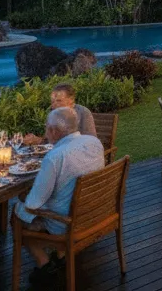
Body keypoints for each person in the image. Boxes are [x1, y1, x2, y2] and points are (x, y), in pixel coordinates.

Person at [15, 108, 106, 269]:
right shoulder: (94, 142)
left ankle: (44, 263)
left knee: (17, 214)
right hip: (93, 212)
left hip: (66, 222)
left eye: (46, 128)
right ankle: (61, 254)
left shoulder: (55, 157)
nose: (46, 132)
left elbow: (33, 204)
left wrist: (23, 196)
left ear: (54, 131)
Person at [23, 82, 96, 144]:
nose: (53, 105)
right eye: (52, 102)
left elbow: (91, 141)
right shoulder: (54, 114)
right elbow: (49, 140)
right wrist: (37, 139)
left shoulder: (83, 112)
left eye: (59, 101)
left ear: (71, 100)